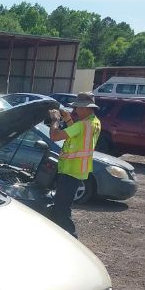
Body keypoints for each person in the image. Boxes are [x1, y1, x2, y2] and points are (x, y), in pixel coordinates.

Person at [47, 92, 101, 238]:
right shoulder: (94, 122)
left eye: (77, 107)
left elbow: (55, 136)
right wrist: (68, 119)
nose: (75, 110)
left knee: (61, 211)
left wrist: (55, 120)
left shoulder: (83, 124)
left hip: (70, 171)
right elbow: (76, 134)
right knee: (63, 208)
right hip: (77, 171)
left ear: (86, 108)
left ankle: (72, 238)